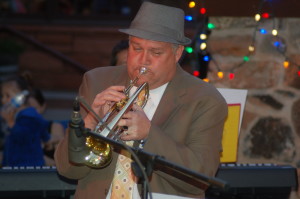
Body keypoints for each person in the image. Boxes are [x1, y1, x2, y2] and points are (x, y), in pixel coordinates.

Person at [54, 1, 228, 199]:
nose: (144, 60)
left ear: (177, 53)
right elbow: (67, 170)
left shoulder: (204, 99)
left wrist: (148, 136)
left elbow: (199, 181)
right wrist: (90, 124)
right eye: (137, 48)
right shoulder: (96, 81)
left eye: (156, 52)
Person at [0, 75, 52, 166]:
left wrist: (10, 122)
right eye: (2, 96)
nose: (3, 100)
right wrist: (46, 139)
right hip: (18, 164)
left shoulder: (28, 117)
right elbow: (42, 126)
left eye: (7, 96)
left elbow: (22, 137)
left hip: (26, 165)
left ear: (21, 97)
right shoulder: (25, 114)